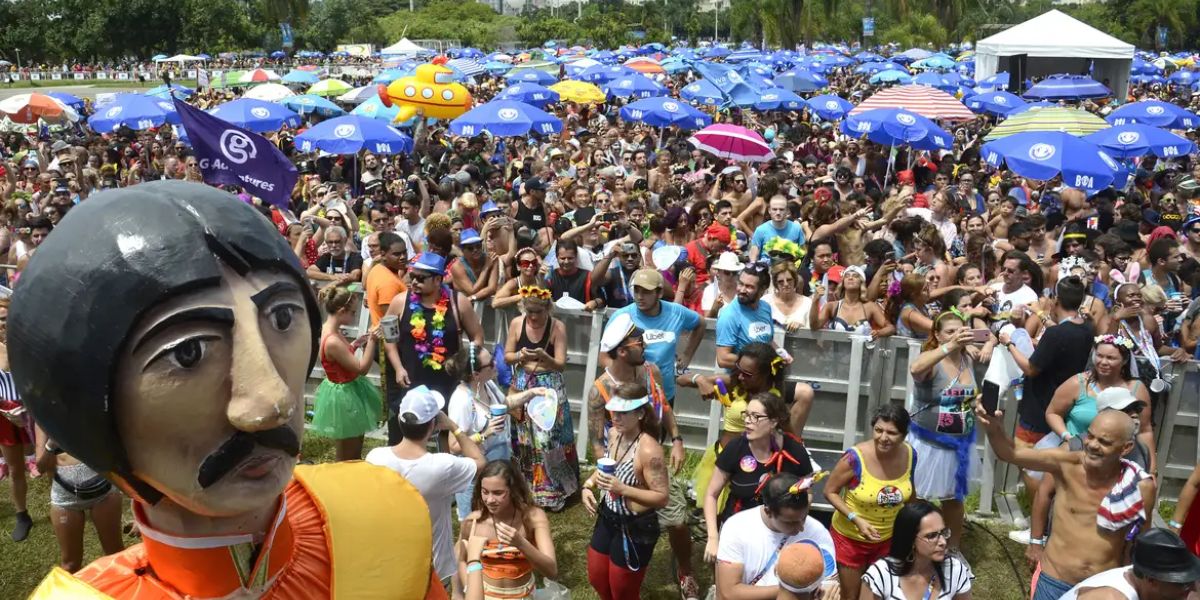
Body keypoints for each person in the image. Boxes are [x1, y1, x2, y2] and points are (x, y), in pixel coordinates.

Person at [15, 181, 446, 598]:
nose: (272, 402)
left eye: (282, 320)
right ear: (83, 405)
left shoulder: (385, 529)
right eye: (188, 353)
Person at [977, 406, 1157, 600]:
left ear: (1126, 448)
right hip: (1055, 579)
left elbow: (1139, 542)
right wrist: (993, 428)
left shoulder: (1140, 487)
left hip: (1102, 587)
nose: (1093, 445)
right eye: (1090, 436)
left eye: (1104, 442)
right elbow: (1011, 453)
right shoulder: (1066, 465)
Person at [587, 312, 699, 598]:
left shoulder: (651, 371)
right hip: (621, 466)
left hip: (652, 460)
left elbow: (663, 407)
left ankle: (685, 570)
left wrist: (676, 439)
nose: (645, 343)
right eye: (639, 340)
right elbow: (597, 441)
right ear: (623, 351)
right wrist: (602, 477)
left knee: (676, 520)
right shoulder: (599, 390)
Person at [367, 385, 486, 591]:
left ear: (400, 420)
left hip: (388, 561)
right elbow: (479, 462)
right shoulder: (442, 466)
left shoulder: (375, 457)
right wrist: (453, 427)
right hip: (432, 568)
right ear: (433, 425)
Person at [382, 251, 485, 445]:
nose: (414, 282)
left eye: (421, 278)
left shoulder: (458, 302)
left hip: (447, 383)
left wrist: (466, 363)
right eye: (412, 276)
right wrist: (398, 368)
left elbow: (477, 335)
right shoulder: (399, 302)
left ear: (438, 280)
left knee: (447, 436)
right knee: (402, 436)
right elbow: (389, 339)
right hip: (409, 381)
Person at [582, 382, 670, 600]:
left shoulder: (649, 450)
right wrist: (588, 485)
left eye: (622, 413)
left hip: (635, 525)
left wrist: (623, 489)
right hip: (608, 516)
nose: (616, 418)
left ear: (640, 413)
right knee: (597, 578)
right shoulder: (614, 434)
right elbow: (607, 464)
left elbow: (661, 497)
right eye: (613, 412)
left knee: (623, 591)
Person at [703, 391, 815, 561]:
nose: (747, 421)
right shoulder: (735, 448)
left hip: (780, 534)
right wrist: (713, 537)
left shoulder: (795, 450)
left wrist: (794, 522)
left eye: (755, 416)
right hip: (738, 528)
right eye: (746, 414)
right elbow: (711, 494)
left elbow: (808, 493)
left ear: (774, 421)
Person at [824, 404, 915, 600]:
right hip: (850, 539)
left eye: (892, 433)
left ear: (904, 435)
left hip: (888, 540)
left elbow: (911, 494)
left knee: (878, 594)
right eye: (878, 430)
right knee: (851, 595)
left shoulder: (910, 456)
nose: (883, 437)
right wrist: (855, 518)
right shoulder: (854, 458)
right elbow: (829, 491)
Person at [908, 309, 979, 551]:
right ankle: (913, 543)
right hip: (927, 443)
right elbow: (915, 369)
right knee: (916, 497)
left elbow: (967, 396)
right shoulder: (933, 358)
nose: (956, 336)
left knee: (954, 500)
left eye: (960, 331)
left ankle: (953, 549)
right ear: (937, 335)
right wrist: (949, 346)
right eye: (950, 332)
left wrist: (979, 407)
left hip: (957, 444)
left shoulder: (967, 358)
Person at [504, 285, 580, 511]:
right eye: (530, 312)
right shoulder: (517, 323)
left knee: (548, 438)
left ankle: (553, 491)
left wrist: (544, 356)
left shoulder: (557, 327)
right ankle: (526, 488)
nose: (534, 317)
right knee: (524, 438)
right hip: (522, 383)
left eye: (538, 311)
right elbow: (507, 356)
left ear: (548, 308)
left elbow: (560, 365)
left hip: (549, 386)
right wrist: (520, 355)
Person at [714, 472, 836, 600]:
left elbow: (829, 580)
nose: (801, 527)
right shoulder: (736, 528)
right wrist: (792, 589)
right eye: (791, 522)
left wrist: (830, 587)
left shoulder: (817, 531)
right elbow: (730, 592)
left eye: (804, 518)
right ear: (768, 511)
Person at [455, 460, 558, 600]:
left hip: (524, 595)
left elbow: (551, 571)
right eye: (485, 492)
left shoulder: (533, 517)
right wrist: (469, 589)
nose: (489, 499)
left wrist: (521, 543)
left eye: (498, 493)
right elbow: (461, 559)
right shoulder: (473, 522)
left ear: (513, 491)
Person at [35, 423, 125, 573]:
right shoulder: (43, 415)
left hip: (103, 491)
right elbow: (41, 466)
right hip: (66, 495)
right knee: (70, 564)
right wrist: (52, 444)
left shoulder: (88, 408)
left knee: (116, 555)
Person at [310, 285, 382, 461]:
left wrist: (356, 344)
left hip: (347, 388)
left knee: (353, 439)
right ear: (342, 311)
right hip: (345, 396)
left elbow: (342, 355)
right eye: (353, 313)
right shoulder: (332, 340)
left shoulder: (330, 329)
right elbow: (362, 368)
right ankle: (343, 479)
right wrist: (372, 341)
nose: (355, 316)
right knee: (349, 448)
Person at [445, 343, 510, 520]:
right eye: (491, 364)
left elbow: (507, 403)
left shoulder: (487, 385)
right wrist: (485, 434)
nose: (496, 364)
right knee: (473, 521)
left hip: (495, 469)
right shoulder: (461, 400)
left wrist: (532, 393)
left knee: (496, 520)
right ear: (476, 374)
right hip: (475, 474)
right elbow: (454, 446)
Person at [861, 501, 973, 600]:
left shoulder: (954, 569)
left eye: (943, 533)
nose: (942, 542)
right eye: (932, 536)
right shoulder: (882, 574)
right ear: (911, 540)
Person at [1060, 528, 1200, 600]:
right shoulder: (1110, 597)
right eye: (1182, 583)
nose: (1192, 588)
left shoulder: (1142, 576)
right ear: (1151, 580)